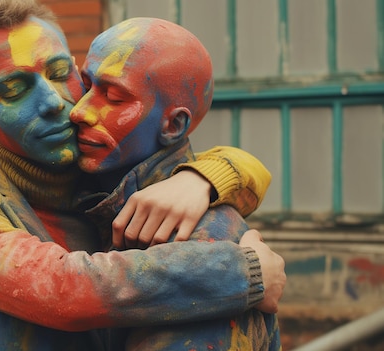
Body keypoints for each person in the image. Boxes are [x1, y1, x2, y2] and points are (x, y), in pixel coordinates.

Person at [0, 0, 285, 349]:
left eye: (60, 73)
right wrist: (246, 272)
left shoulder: (109, 179)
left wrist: (201, 179)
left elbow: (231, 162)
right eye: (14, 91)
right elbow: (61, 291)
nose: (52, 102)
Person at [70, 17, 282, 350]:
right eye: (85, 85)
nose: (80, 111)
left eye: (113, 98)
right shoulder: (78, 190)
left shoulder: (203, 241)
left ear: (173, 125)